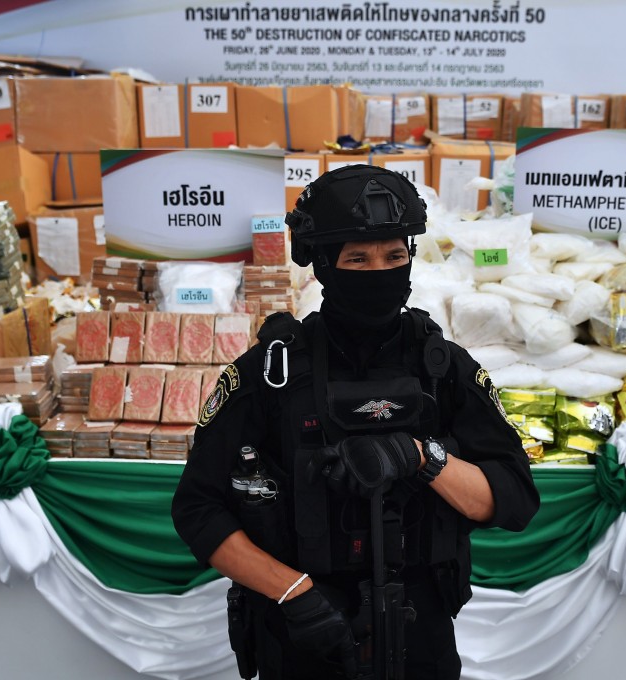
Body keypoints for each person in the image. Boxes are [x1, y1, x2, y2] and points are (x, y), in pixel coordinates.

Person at [171, 165, 540, 679]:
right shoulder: (271, 372)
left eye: (395, 255)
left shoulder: (444, 368)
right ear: (323, 265)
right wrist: (291, 592)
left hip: (420, 636)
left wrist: (419, 457)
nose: (380, 271)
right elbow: (198, 509)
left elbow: (514, 499)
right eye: (358, 258)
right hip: (302, 630)